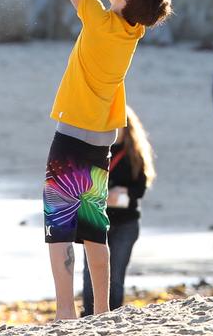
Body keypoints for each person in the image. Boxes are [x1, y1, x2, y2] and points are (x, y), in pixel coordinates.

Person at [41, 0, 172, 320]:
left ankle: (65, 314)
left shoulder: (98, 20)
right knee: (94, 228)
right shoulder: (131, 28)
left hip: (70, 137)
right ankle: (100, 313)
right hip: (100, 142)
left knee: (61, 230)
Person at [82, 106, 156, 315]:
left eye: (117, 125)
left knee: (115, 277)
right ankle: (90, 315)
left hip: (126, 223)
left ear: (126, 127)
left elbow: (140, 188)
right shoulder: (96, 150)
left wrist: (123, 193)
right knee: (90, 275)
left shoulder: (135, 154)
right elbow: (83, 185)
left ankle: (112, 316)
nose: (113, 130)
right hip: (96, 219)